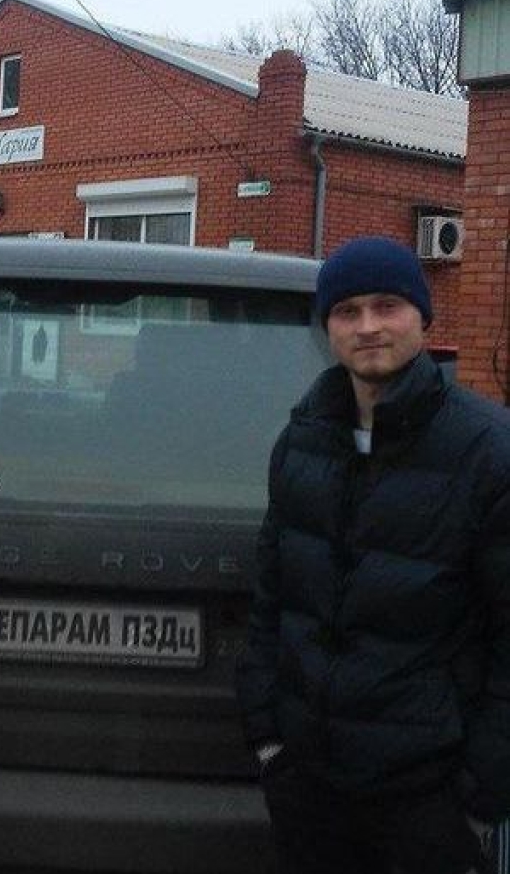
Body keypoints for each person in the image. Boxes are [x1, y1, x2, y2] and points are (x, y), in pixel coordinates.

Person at [236, 236, 510, 874]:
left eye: (387, 306)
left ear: (422, 316)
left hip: (428, 799)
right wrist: (269, 739)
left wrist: (478, 794)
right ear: (328, 326)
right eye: (347, 310)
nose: (367, 327)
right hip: (309, 788)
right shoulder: (302, 442)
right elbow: (272, 600)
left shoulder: (487, 453)